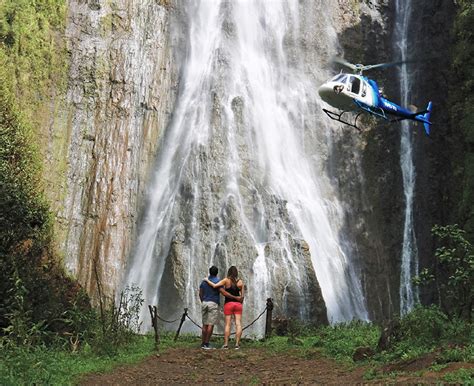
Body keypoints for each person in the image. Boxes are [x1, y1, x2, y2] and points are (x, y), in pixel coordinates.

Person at [199, 266, 240, 349]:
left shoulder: (203, 282)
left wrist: (202, 300)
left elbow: (200, 293)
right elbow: (223, 292)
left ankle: (203, 343)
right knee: (210, 324)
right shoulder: (218, 281)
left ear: (209, 272)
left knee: (204, 324)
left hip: (204, 302)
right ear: (217, 273)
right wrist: (235, 297)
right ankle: (206, 343)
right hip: (213, 303)